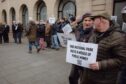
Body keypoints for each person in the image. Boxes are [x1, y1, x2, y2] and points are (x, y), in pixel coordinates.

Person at [80, 12, 126, 84]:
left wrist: (100, 65)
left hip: (104, 79)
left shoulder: (118, 37)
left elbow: (121, 59)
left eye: (93, 20)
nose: (92, 22)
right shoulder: (94, 34)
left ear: (101, 20)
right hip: (88, 76)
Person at [69, 13, 94, 84]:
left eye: (90, 20)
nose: (87, 22)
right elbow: (65, 30)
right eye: (85, 20)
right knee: (72, 77)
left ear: (93, 22)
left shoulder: (95, 33)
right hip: (76, 59)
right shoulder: (78, 30)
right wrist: (76, 21)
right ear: (82, 21)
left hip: (86, 61)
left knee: (84, 81)